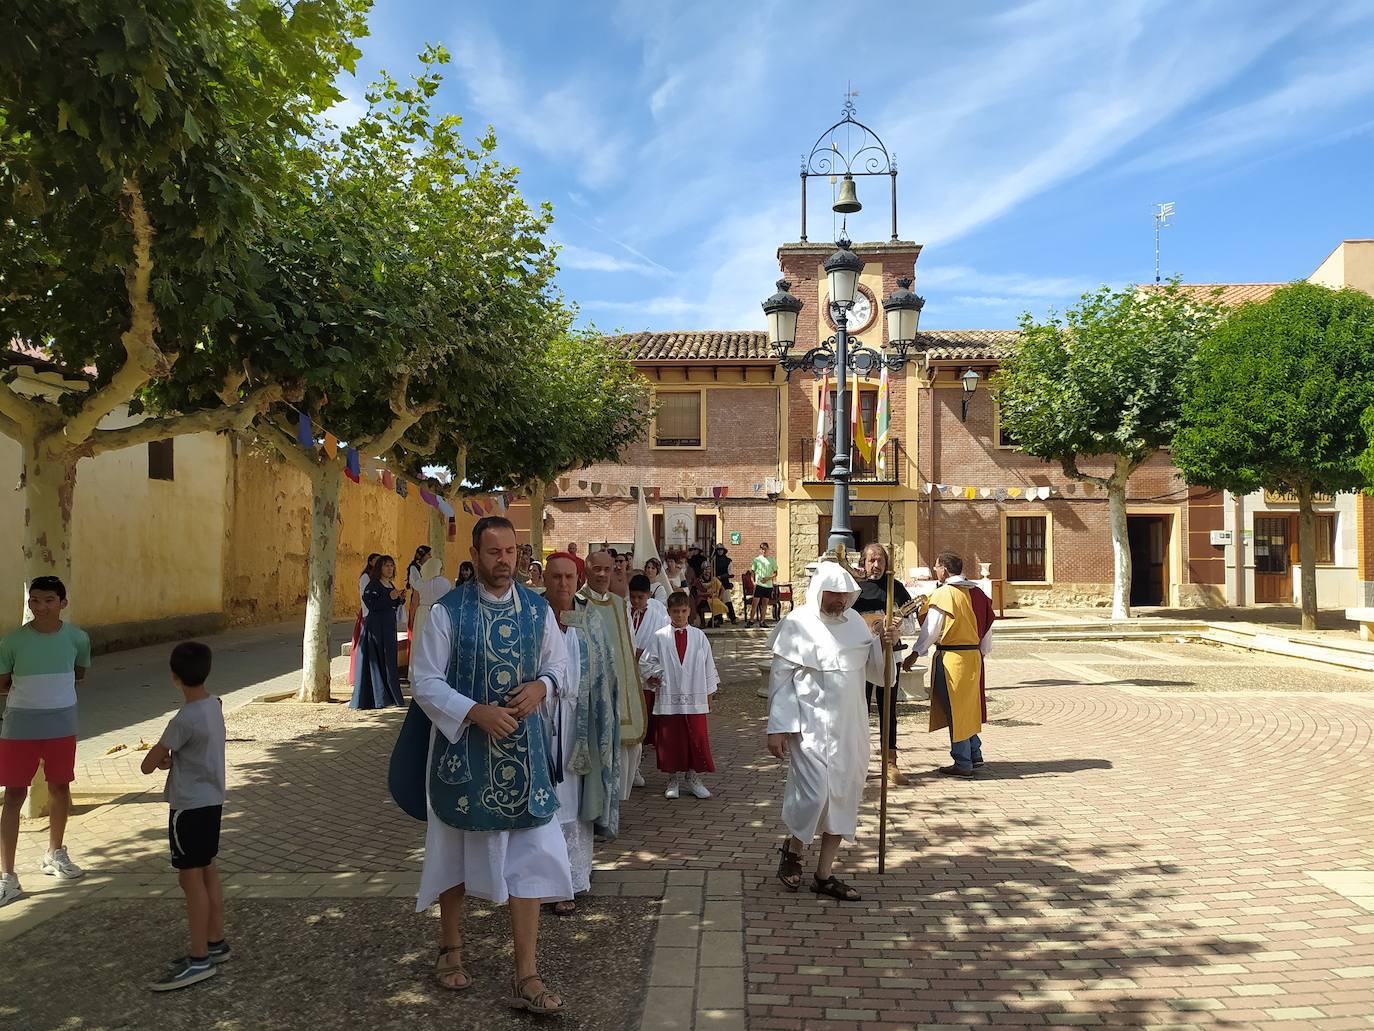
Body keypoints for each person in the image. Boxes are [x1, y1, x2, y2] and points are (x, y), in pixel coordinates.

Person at [394, 516, 571, 1014]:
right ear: (474, 554)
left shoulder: (537, 611)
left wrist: (542, 687)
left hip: (524, 755)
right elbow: (425, 682)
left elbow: (559, 667)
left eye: (511, 552)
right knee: (453, 850)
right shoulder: (448, 613)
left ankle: (527, 973)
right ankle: (450, 947)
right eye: (493, 552)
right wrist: (475, 713)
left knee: (532, 857)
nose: (504, 561)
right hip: (463, 756)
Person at [767, 560, 900, 902]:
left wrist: (886, 644)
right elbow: (780, 682)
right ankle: (794, 850)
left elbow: (880, 675)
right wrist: (778, 727)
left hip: (850, 728)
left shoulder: (856, 623)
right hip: (809, 727)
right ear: (818, 592)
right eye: (833, 594)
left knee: (842, 799)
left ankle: (824, 875)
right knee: (814, 795)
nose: (840, 601)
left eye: (845, 594)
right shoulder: (797, 624)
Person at [139, 641, 228, 991]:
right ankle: (215, 940)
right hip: (212, 802)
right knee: (208, 870)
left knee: (189, 881)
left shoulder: (182, 720)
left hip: (187, 807)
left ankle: (198, 958)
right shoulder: (213, 707)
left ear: (174, 678)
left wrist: (164, 757)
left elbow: (148, 765)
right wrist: (175, 758)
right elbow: (197, 751)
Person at [0, 576, 92, 907]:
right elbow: (3, 683)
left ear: (63, 603)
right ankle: (7, 876)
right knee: (13, 796)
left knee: (60, 789)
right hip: (19, 728)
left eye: (49, 600)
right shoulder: (11, 641)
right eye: (34, 600)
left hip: (61, 726)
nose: (41, 607)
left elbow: (79, 674)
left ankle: (55, 853)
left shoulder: (78, 638)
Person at [537, 553, 597, 915]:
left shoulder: (588, 618)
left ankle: (571, 881)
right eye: (556, 577)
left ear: (579, 578)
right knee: (544, 802)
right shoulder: (533, 615)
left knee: (574, 802)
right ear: (546, 578)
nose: (563, 583)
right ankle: (540, 880)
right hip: (540, 719)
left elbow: (604, 671)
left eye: (569, 577)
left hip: (578, 720)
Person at [909, 551, 994, 777]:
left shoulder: (944, 593)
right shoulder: (978, 593)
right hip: (973, 657)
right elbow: (987, 630)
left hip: (952, 659)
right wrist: (981, 653)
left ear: (944, 569)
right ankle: (974, 754)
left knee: (956, 709)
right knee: (968, 708)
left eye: (937, 567)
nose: (936, 571)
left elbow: (931, 629)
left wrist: (916, 653)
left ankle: (962, 760)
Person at [639, 592, 719, 800]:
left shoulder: (699, 636)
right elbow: (645, 662)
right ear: (669, 612)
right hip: (669, 694)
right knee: (671, 739)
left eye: (684, 611)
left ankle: (693, 777)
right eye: (676, 612)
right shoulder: (660, 636)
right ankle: (672, 778)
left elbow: (708, 665)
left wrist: (709, 694)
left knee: (697, 737)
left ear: (689, 611)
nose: (680, 616)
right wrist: (655, 675)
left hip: (695, 696)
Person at [579, 551, 644, 802]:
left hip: (621, 688)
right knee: (597, 748)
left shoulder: (619, 604)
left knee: (628, 746)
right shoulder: (578, 602)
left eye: (608, 569)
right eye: (597, 569)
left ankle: (615, 804)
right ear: (586, 570)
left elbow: (628, 643)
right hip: (590, 688)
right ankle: (596, 806)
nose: (603, 574)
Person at [853, 543, 915, 786]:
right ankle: (859, 762)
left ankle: (890, 763)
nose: (876, 565)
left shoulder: (895, 588)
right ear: (864, 563)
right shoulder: (854, 589)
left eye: (880, 560)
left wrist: (897, 627)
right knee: (859, 710)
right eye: (872, 560)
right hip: (861, 659)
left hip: (890, 657)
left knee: (888, 710)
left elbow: (911, 625)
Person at [627, 574, 670, 787]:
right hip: (626, 674)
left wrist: (652, 666)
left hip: (645, 676)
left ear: (649, 595)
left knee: (642, 725)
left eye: (640, 598)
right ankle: (628, 768)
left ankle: (635, 768)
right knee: (628, 722)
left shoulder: (658, 613)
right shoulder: (623, 610)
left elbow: (664, 642)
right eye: (632, 597)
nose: (635, 602)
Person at [351, 555, 405, 709]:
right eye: (386, 566)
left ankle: (392, 695)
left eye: (392, 566)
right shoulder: (373, 585)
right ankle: (379, 697)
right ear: (380, 568)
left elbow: (391, 602)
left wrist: (399, 598)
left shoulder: (389, 584)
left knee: (389, 659)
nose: (390, 569)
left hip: (388, 626)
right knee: (379, 658)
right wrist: (390, 597)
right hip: (376, 627)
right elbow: (371, 604)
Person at [349, 553, 380, 686]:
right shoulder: (365, 577)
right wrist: (368, 615)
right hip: (368, 614)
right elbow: (364, 596)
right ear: (371, 562)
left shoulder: (375, 577)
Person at [411, 553, 453, 647]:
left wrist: (412, 619)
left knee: (420, 642)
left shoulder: (419, 583)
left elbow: (414, 602)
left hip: (422, 613)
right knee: (437, 643)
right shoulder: (445, 583)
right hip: (438, 613)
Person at [748, 542, 779, 629]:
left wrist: (768, 578)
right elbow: (752, 572)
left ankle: (762, 621)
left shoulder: (772, 560)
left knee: (764, 604)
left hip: (768, 585)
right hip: (759, 584)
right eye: (762, 549)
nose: (764, 550)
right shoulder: (756, 560)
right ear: (760, 550)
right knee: (755, 603)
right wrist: (753, 582)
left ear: (768, 549)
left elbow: (775, 573)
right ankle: (751, 620)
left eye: (765, 549)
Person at [711, 544, 738, 624]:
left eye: (721, 550)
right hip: (715, 583)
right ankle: (719, 619)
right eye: (718, 550)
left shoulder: (728, 561)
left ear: (723, 551)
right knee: (717, 601)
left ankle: (732, 618)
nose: (719, 551)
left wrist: (721, 577)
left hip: (725, 583)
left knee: (727, 600)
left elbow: (730, 573)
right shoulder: (713, 560)